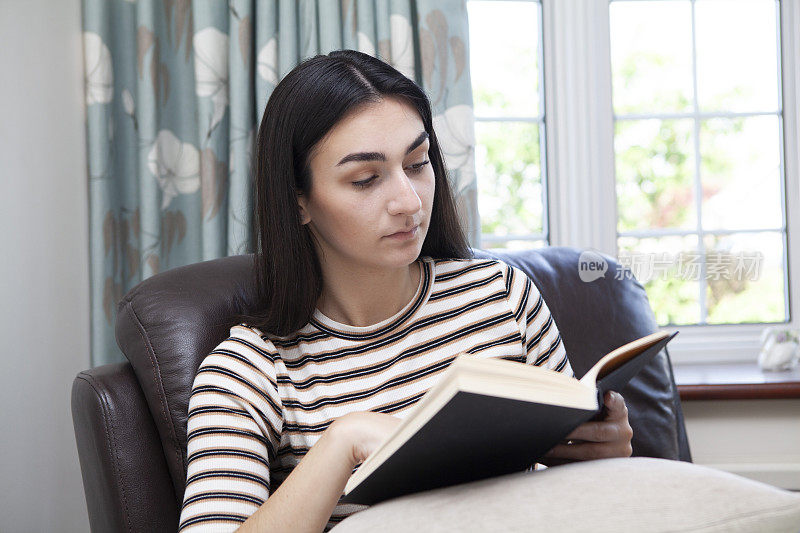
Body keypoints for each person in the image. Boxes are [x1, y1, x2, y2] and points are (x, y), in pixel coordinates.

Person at [178, 50, 633, 533]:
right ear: (298, 202)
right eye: (365, 179)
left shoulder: (502, 295)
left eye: (417, 163)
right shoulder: (251, 371)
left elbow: (574, 496)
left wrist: (601, 454)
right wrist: (345, 441)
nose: (409, 201)